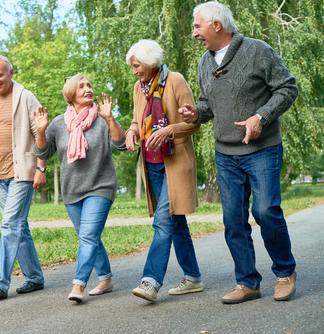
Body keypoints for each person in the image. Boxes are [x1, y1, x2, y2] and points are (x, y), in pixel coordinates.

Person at [179, 2, 298, 304]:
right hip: (226, 153)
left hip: (262, 148)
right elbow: (209, 106)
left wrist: (261, 117)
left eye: (197, 27)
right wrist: (197, 113)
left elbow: (287, 88)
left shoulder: (257, 50)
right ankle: (247, 282)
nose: (194, 34)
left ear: (216, 26)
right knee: (233, 220)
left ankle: (285, 272)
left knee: (266, 211)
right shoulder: (205, 63)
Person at [33, 74, 126, 302]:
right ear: (71, 94)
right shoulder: (57, 123)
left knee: (87, 236)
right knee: (89, 237)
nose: (88, 89)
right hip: (72, 190)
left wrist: (111, 119)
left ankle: (79, 285)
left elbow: (121, 145)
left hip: (100, 186)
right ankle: (106, 279)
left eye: (90, 85)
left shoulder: (102, 117)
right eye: (82, 86)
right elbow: (43, 153)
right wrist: (41, 131)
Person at [124, 40, 203, 303]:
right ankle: (193, 278)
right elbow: (137, 119)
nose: (134, 71)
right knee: (175, 222)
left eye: (136, 65)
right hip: (152, 165)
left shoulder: (175, 80)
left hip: (175, 164)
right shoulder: (139, 87)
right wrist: (132, 131)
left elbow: (194, 123)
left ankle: (150, 281)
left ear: (149, 62)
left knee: (162, 222)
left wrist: (170, 129)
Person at [0, 55, 47, 300]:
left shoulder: (25, 97)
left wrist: (41, 168)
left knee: (9, 225)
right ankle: (35, 277)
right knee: (19, 227)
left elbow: (41, 132)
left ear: (10, 72)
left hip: (22, 173)